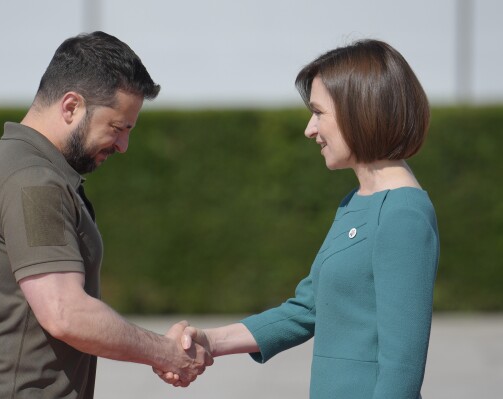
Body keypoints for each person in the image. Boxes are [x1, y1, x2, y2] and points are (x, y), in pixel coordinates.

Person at [156, 39, 439, 398]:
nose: (310, 129)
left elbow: (402, 369)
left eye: (319, 112)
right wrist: (209, 341)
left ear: (360, 110)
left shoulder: (403, 214)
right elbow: (306, 308)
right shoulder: (356, 202)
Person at [0, 31, 212, 399]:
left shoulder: (22, 165)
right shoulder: (33, 181)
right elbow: (66, 312)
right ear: (71, 106)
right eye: (117, 128)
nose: (123, 146)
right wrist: (165, 352)